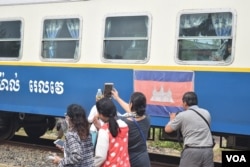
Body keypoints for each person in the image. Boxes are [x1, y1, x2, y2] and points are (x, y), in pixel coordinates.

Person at [165, 91, 214, 167]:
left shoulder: (182, 115)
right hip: (208, 151)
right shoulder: (206, 113)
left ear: (185, 103)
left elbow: (168, 129)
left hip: (192, 151)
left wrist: (172, 120)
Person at [112, 89, 151, 167]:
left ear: (131, 104)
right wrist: (117, 98)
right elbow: (134, 112)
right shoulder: (147, 118)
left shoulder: (124, 122)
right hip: (144, 160)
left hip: (129, 160)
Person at [93, 97, 130, 167]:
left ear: (101, 114)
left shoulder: (104, 131)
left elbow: (101, 157)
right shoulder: (124, 125)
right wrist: (100, 129)